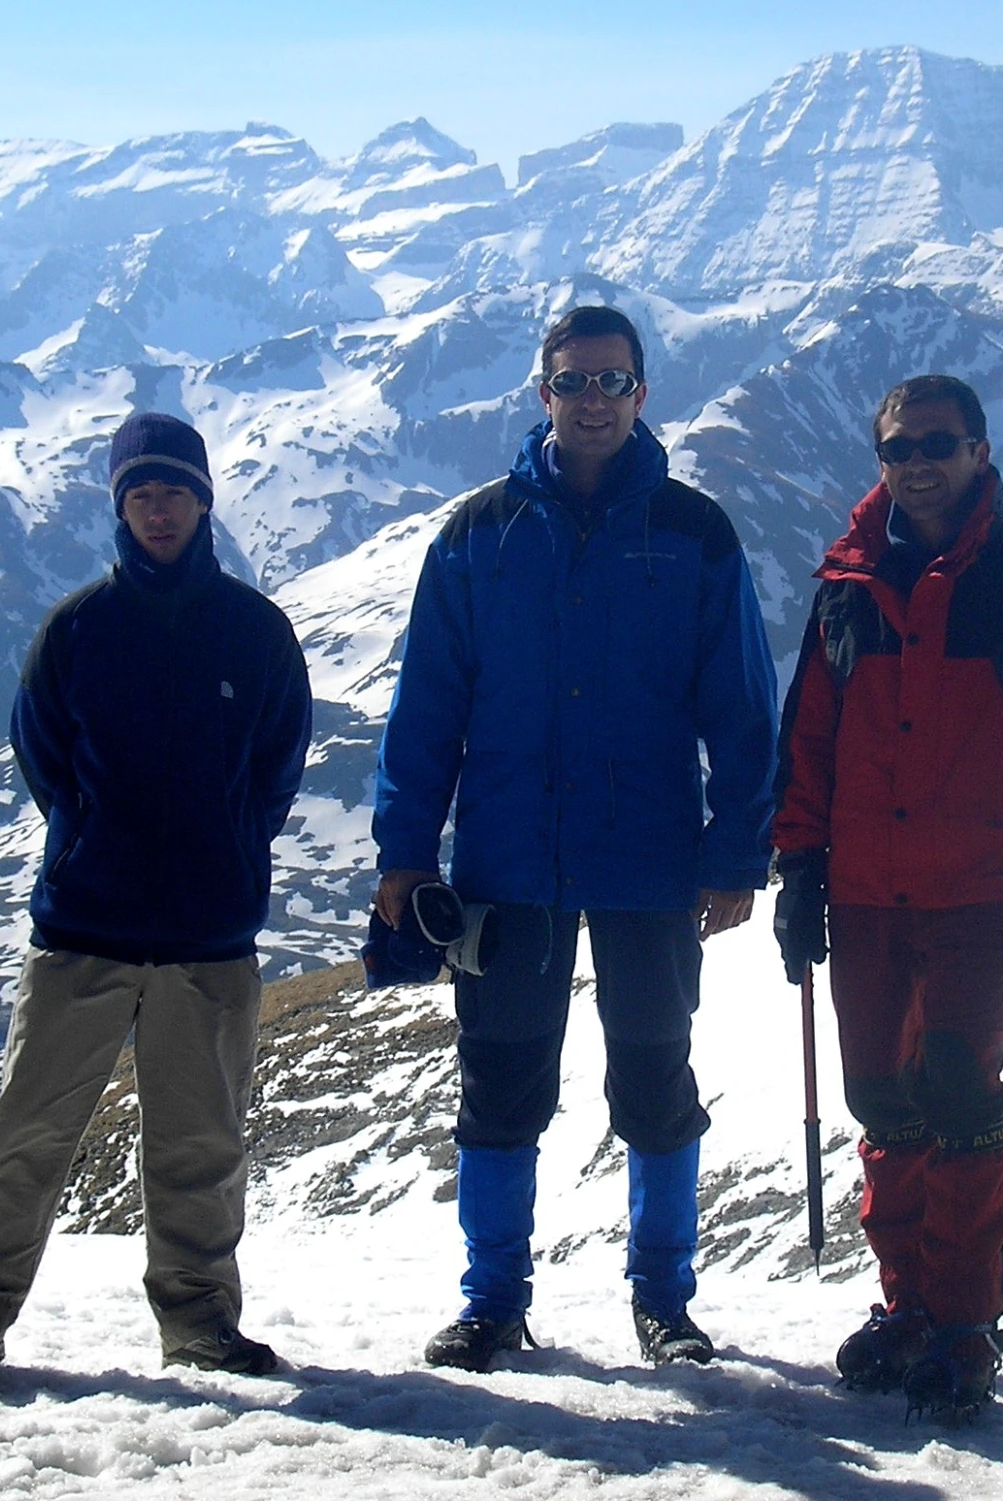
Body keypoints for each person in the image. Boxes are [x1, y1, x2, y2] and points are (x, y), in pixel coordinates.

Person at [371, 304, 778, 1372]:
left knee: (654, 1082)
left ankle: (664, 1303)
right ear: (540, 392)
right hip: (508, 860)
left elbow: (739, 705)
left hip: (649, 860)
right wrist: (404, 851)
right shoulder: (475, 535)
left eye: (611, 381)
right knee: (499, 1086)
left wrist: (738, 851)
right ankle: (494, 1301)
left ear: (642, 394)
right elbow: (427, 706)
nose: (591, 399)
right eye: (571, 381)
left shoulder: (695, 533)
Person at [0, 411, 313, 1386]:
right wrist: (93, 839)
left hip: (208, 938)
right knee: (25, 1135)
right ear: (119, 508)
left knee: (201, 1147)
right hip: (83, 929)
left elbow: (274, 767)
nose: (158, 509)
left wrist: (223, 853)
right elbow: (43, 756)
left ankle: (200, 1325)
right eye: (139, 494)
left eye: (172, 490)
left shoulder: (254, 635)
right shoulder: (79, 629)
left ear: (203, 500)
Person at [772, 374, 1003, 1423]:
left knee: (960, 1097)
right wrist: (796, 869)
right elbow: (809, 742)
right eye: (897, 447)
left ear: (978, 449)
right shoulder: (845, 585)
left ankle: (964, 1322)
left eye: (937, 442)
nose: (917, 462)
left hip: (982, 895)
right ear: (878, 460)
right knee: (883, 1102)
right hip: (868, 893)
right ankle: (908, 1307)